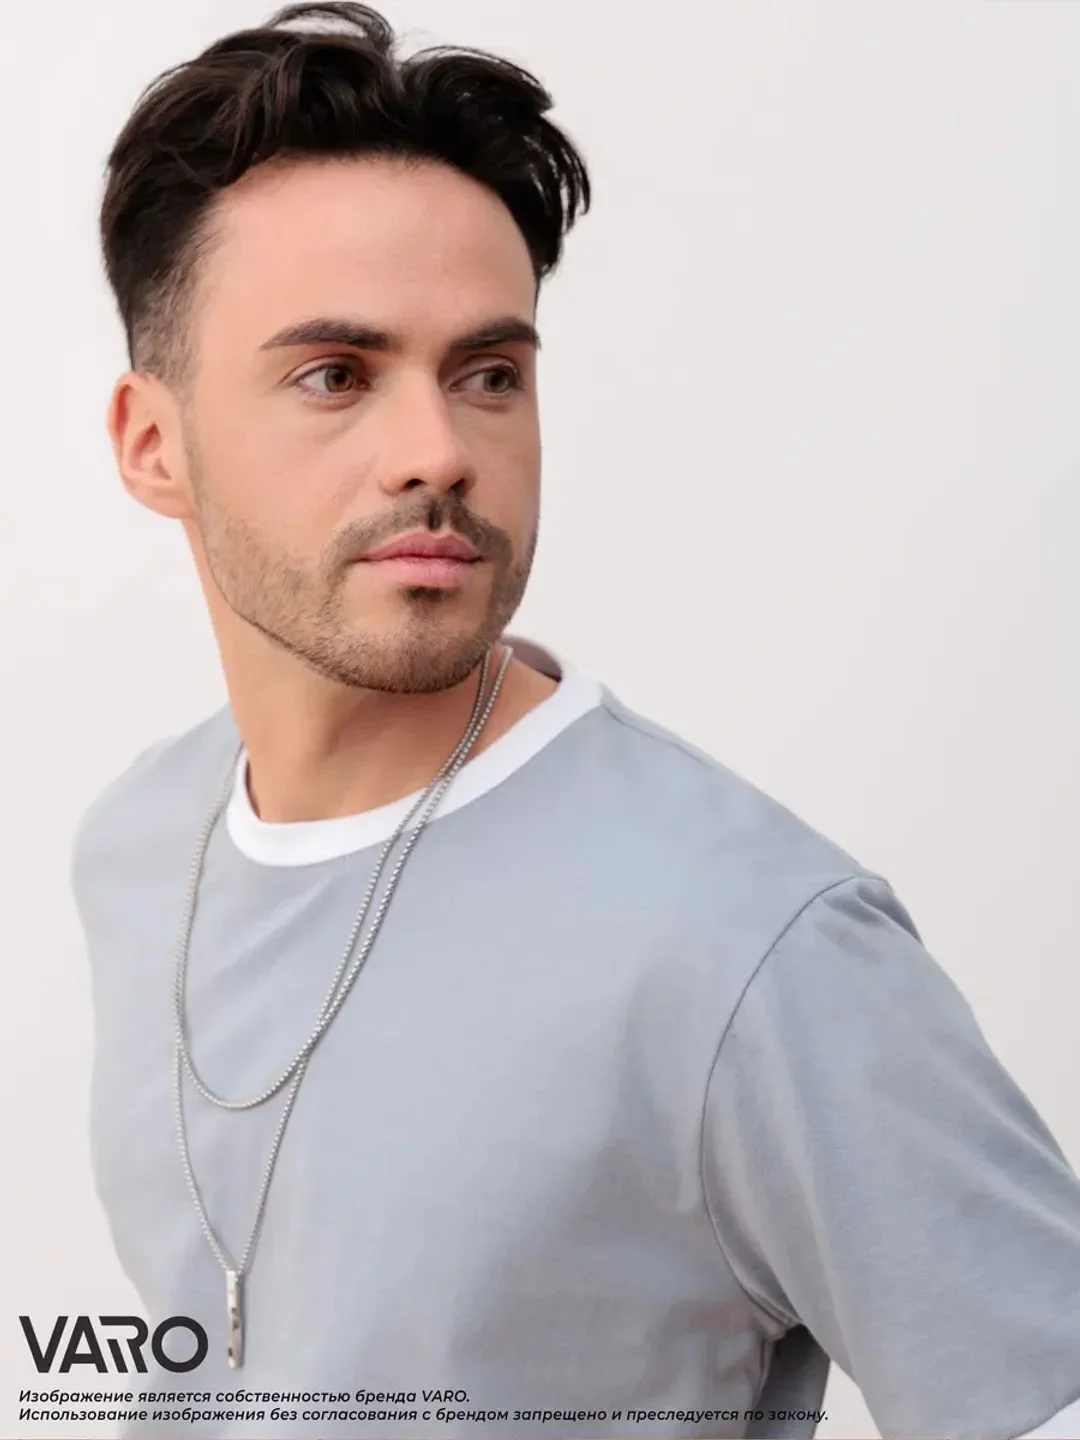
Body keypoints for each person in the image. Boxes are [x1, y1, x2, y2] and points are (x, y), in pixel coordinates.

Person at [71, 4, 1080, 1438]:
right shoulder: (142, 844)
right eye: (335, 376)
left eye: (489, 374)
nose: (437, 452)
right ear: (152, 444)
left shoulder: (752, 945)